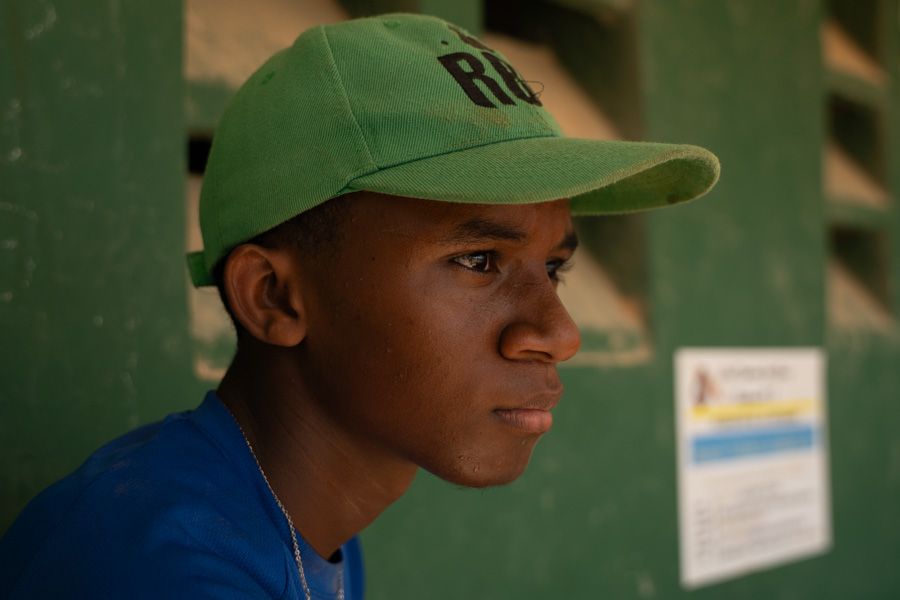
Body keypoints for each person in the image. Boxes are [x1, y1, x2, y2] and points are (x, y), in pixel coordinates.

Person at [0, 13, 719, 599]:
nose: (558, 334)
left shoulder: (288, 514)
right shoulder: (158, 574)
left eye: (554, 268)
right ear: (273, 297)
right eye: (478, 261)